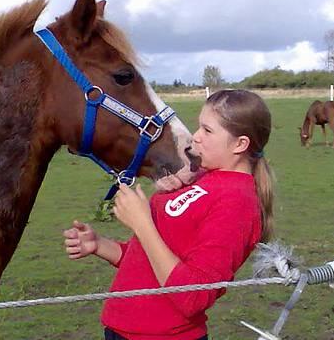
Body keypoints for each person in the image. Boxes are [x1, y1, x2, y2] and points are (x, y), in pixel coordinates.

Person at [63, 89, 275, 340]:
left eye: (207, 131)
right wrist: (99, 245)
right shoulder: (204, 179)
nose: (195, 137)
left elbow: (194, 295)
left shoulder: (238, 203)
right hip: (121, 331)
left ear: (240, 144)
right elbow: (149, 258)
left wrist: (143, 224)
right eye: (199, 127)